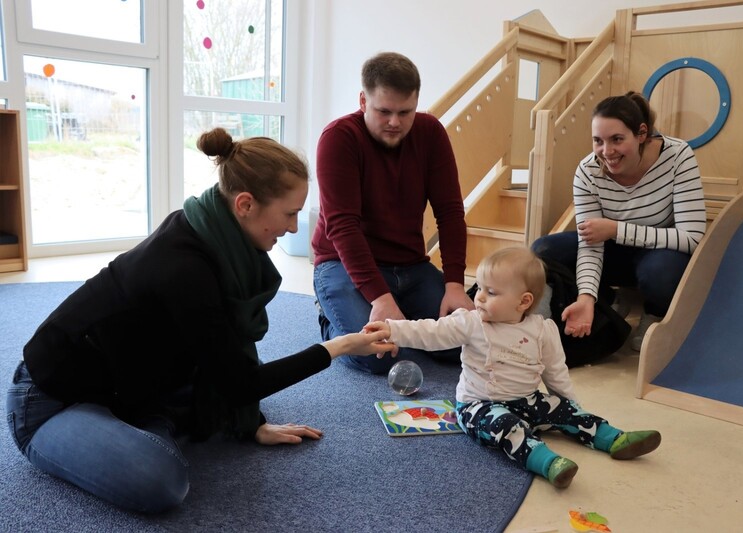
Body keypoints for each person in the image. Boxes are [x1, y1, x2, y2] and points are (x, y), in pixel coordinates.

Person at [5, 128, 395, 514]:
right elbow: (241, 383)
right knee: (161, 480)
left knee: (216, 383)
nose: (294, 227)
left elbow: (229, 354)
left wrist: (248, 420)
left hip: (127, 385)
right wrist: (340, 344)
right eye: (290, 213)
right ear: (245, 204)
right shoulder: (184, 268)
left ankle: (160, 416)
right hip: (52, 399)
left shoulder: (212, 232)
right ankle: (159, 421)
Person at [365, 246, 661, 489]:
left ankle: (613, 438)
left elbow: (556, 372)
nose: (479, 296)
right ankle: (547, 462)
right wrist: (393, 330)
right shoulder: (471, 322)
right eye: (480, 287)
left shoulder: (543, 330)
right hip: (477, 407)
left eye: (491, 292)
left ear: (524, 301)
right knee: (508, 428)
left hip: (526, 400)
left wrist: (570, 407)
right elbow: (430, 332)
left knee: (563, 408)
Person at [311, 51, 474, 374]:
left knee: (463, 342)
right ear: (362, 100)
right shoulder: (338, 139)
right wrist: (379, 297)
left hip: (411, 266)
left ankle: (397, 313)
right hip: (342, 264)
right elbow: (343, 227)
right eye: (383, 111)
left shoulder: (431, 134)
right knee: (377, 356)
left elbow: (451, 213)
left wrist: (455, 283)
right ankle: (331, 317)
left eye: (405, 112)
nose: (395, 122)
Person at [532, 91, 706, 351]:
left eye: (617, 139)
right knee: (543, 249)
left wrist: (616, 229)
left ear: (642, 134)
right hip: (612, 249)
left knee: (661, 272)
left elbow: (692, 238)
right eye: (598, 141)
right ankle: (607, 300)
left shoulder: (677, 156)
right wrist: (586, 296)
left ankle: (655, 314)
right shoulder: (588, 171)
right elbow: (590, 244)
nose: (607, 151)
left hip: (658, 252)